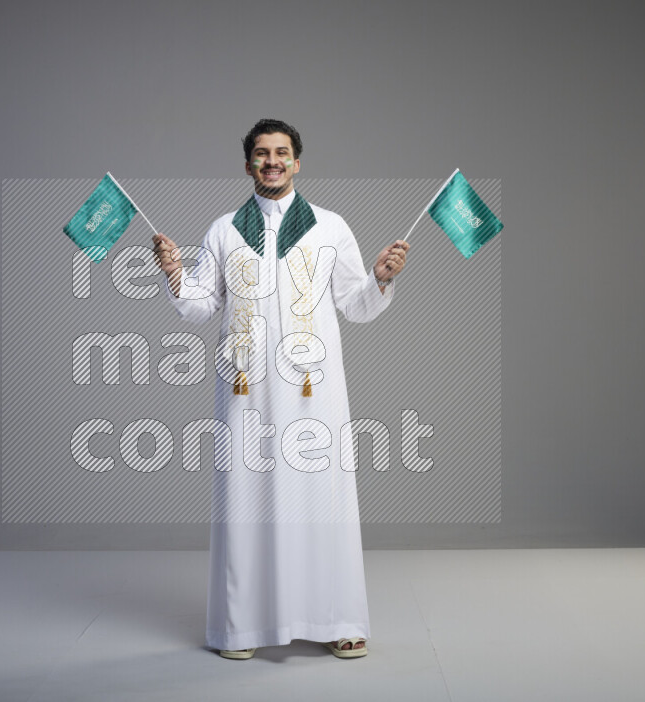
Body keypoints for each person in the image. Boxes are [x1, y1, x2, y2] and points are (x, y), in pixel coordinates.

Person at [152, 119, 409, 660]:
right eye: (262, 154)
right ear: (247, 164)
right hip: (245, 390)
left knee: (324, 499)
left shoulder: (331, 227)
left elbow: (357, 305)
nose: (272, 161)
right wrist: (175, 273)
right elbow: (201, 305)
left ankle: (339, 619)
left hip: (315, 392)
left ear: (298, 162)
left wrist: (381, 278)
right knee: (247, 500)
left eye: (283, 153)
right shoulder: (224, 230)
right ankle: (243, 627)